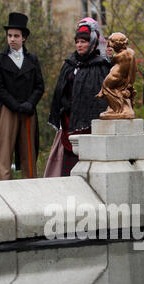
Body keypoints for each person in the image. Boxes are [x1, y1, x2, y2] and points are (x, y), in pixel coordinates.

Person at [46, 19, 110, 177]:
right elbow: (60, 91)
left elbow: (102, 97)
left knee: (89, 159)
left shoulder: (100, 66)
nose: (80, 45)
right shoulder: (69, 63)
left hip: (90, 124)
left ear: (93, 43)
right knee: (70, 160)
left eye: (84, 41)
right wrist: (64, 106)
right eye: (77, 41)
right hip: (68, 120)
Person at [0, 12, 44, 180]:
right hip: (8, 110)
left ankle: (31, 191)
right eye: (9, 35)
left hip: (28, 111)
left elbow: (39, 86)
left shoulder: (32, 59)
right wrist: (16, 106)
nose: (12, 39)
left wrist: (30, 104)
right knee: (5, 154)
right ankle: (3, 192)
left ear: (24, 37)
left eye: (16, 35)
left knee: (29, 154)